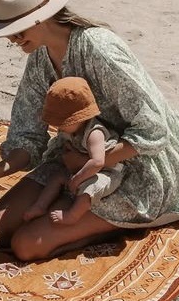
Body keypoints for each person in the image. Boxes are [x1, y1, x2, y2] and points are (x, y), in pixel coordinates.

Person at [0, 0, 179, 262]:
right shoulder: (40, 58)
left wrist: (88, 162)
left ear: (41, 15)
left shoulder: (99, 48)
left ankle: (111, 226)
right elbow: (28, 133)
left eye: (18, 29)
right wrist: (0, 169)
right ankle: (79, 210)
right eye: (8, 32)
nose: (13, 40)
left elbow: (154, 129)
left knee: (26, 245)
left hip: (135, 166)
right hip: (71, 161)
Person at [23, 77, 124, 226]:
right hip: (82, 167)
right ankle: (40, 206)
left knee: (89, 190)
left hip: (107, 171)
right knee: (57, 178)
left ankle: (72, 216)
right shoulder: (72, 130)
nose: (58, 127)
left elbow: (98, 162)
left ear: (79, 118)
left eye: (62, 123)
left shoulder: (94, 133)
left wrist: (77, 179)